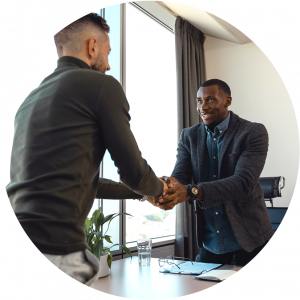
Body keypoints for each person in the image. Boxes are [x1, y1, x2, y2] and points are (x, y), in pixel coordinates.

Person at [5, 13, 168, 288]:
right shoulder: (102, 86)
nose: (108, 64)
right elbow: (134, 172)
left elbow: (83, 182)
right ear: (92, 47)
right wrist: (160, 190)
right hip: (56, 246)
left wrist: (141, 195)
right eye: (107, 52)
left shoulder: (30, 99)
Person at [157, 79, 274, 266]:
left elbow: (243, 182)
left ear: (227, 101)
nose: (202, 106)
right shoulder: (189, 136)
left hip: (250, 240)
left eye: (210, 99)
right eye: (199, 101)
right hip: (211, 242)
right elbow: (181, 175)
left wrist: (192, 191)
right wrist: (165, 187)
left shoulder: (252, 132)